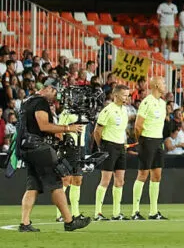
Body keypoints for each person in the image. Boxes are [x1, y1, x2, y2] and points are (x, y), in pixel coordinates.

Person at [16, 79, 90, 232]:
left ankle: (24, 223)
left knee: (33, 186)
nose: (56, 96)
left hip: (26, 147)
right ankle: (69, 221)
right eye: (55, 92)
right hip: (38, 148)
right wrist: (68, 128)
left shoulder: (27, 101)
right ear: (48, 88)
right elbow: (44, 125)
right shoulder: (41, 102)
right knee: (56, 183)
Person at [91, 83, 132, 221]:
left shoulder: (124, 110)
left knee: (120, 180)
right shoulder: (108, 110)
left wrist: (123, 142)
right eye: (124, 95)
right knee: (105, 180)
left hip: (121, 147)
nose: (127, 97)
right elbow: (97, 131)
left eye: (128, 95)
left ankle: (116, 213)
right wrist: (101, 147)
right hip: (109, 146)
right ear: (116, 95)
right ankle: (98, 213)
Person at [130, 77, 169, 220]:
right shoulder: (147, 102)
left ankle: (153, 211)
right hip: (146, 140)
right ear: (157, 85)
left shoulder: (163, 103)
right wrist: (140, 141)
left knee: (157, 175)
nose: (165, 85)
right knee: (142, 175)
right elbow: (138, 125)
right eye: (163, 82)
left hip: (158, 141)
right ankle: (135, 211)